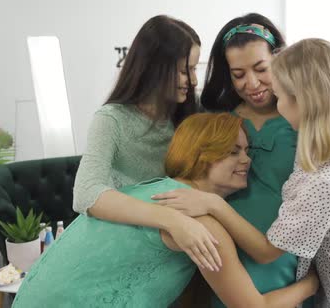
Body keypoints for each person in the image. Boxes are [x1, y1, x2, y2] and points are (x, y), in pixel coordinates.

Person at [154, 13, 330, 306]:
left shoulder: (308, 121)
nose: (252, 83)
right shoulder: (220, 121)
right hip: (233, 249)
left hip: (288, 254)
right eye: (238, 75)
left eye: (261, 69)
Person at [12, 113, 319, 308]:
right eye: (233, 151)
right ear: (201, 155)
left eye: (247, 151)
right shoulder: (201, 222)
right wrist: (312, 283)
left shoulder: (147, 190)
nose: (247, 160)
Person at [71, 15, 221, 271]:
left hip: (187, 250)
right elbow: (85, 193)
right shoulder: (111, 120)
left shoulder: (194, 111)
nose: (194, 80)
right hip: (133, 250)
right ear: (155, 67)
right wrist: (171, 220)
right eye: (185, 70)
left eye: (195, 69)